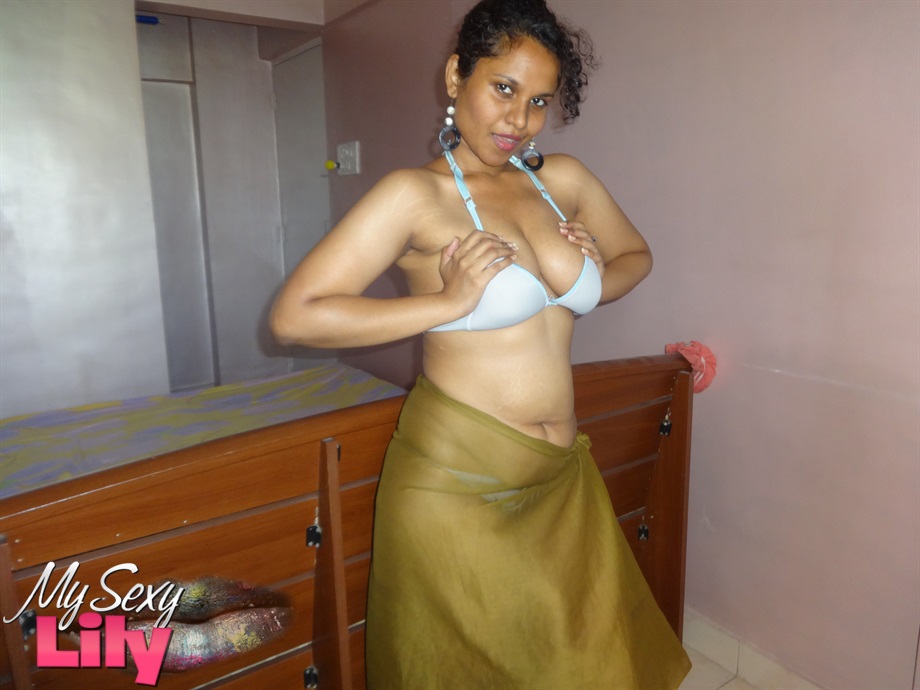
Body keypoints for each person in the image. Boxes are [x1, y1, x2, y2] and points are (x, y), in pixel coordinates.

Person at [271, 0, 691, 686]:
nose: (519, 119)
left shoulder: (563, 182)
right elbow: (296, 317)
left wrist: (594, 275)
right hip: (456, 487)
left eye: (538, 101)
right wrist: (446, 304)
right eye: (503, 88)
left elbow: (636, 256)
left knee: (585, 663)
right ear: (455, 77)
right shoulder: (416, 195)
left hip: (560, 478)